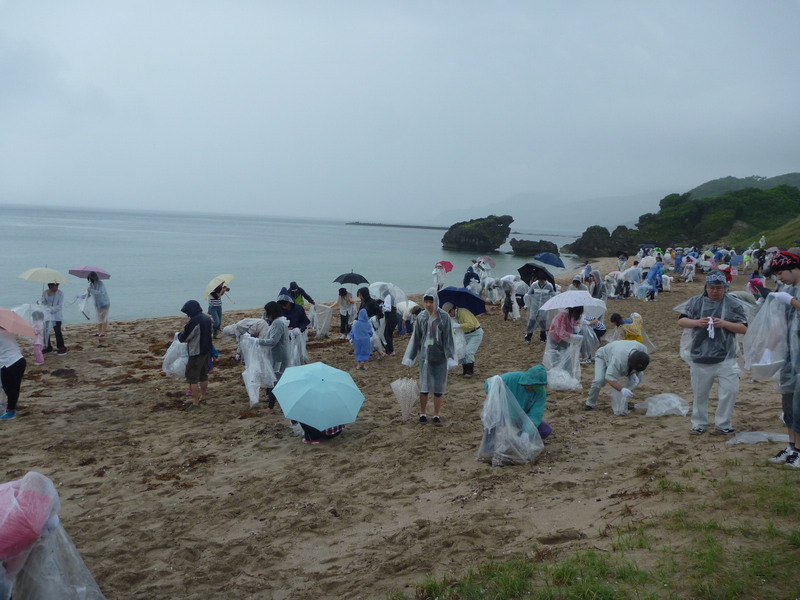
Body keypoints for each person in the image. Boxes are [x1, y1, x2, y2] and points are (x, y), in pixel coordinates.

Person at [677, 270, 748, 435]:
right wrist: (697, 322)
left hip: (727, 356)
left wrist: (724, 323)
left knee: (730, 390)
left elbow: (743, 328)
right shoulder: (696, 302)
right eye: (711, 287)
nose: (715, 291)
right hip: (700, 355)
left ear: (725, 288)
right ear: (706, 287)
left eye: (719, 288)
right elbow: (681, 320)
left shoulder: (733, 304)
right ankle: (699, 423)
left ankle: (723, 423)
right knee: (700, 393)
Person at [764, 251, 800, 467]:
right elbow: (780, 323)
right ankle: (791, 446)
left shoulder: (791, 294)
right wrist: (768, 349)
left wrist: (792, 301)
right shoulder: (785, 289)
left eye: (781, 273)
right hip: (789, 355)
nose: (779, 279)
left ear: (794, 267)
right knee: (787, 400)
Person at [402, 290, 456, 425]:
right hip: (425, 358)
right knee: (424, 387)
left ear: (436, 302)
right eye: (426, 302)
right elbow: (416, 338)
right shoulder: (421, 317)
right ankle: (423, 413)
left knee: (439, 387)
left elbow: (449, 338)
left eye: (431, 302)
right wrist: (410, 357)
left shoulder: (444, 317)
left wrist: (450, 357)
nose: (428, 305)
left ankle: (436, 414)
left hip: (440, 357)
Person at [484, 365, 552, 439]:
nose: (533, 389)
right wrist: (493, 386)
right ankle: (489, 443)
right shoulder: (512, 378)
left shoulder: (540, 393)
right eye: (533, 386)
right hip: (502, 414)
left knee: (545, 430)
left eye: (537, 387)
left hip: (522, 417)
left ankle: (517, 439)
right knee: (491, 420)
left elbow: (535, 414)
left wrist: (526, 433)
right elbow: (489, 385)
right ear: (528, 381)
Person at [584, 340, 649, 411]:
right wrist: (622, 389)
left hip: (618, 352)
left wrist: (634, 373)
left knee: (639, 377)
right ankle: (590, 403)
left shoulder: (643, 350)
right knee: (599, 381)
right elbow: (609, 378)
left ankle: (624, 402)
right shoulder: (619, 361)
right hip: (603, 356)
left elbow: (639, 367)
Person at [177, 299, 213, 410]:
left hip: (196, 352)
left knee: (192, 378)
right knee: (203, 375)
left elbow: (185, 338)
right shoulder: (207, 318)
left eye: (187, 312)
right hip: (207, 351)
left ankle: (196, 402)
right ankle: (203, 396)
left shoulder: (194, 321)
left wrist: (179, 335)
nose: (187, 315)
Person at [257, 301, 291, 413]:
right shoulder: (279, 321)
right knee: (278, 379)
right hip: (279, 355)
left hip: (279, 358)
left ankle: (271, 407)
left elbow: (273, 341)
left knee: (276, 380)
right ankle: (279, 405)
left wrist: (257, 341)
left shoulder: (278, 323)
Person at [443, 302, 484, 378]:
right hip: (466, 334)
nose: (449, 316)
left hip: (475, 333)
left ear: (452, 310)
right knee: (463, 351)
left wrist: (459, 325)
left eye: (448, 313)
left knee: (469, 351)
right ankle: (465, 370)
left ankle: (470, 371)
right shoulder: (454, 316)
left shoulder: (463, 312)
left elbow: (471, 324)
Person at [0, 327, 27, 421]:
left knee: (10, 388)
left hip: (12, 362)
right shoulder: (8, 330)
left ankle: (11, 411)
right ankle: (10, 409)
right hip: (16, 361)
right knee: (10, 387)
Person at [524, 275, 556, 342]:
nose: (541, 282)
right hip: (534, 306)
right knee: (532, 321)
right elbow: (529, 294)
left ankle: (543, 338)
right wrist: (527, 304)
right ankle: (528, 337)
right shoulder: (534, 285)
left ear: (545, 280)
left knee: (543, 322)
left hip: (544, 306)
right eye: (540, 281)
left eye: (542, 281)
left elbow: (553, 294)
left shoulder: (549, 286)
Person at [39, 282, 66, 355]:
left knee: (57, 332)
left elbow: (59, 306)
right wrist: (40, 301)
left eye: (57, 285)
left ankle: (61, 347)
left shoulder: (60, 293)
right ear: (50, 286)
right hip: (47, 316)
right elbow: (43, 303)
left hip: (56, 316)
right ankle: (48, 347)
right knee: (45, 331)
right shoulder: (45, 292)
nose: (57, 287)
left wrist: (51, 310)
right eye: (55, 285)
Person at [87, 271, 111, 337]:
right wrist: (80, 297)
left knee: (104, 317)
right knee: (99, 318)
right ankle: (99, 332)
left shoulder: (100, 283)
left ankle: (103, 332)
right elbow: (88, 294)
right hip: (98, 304)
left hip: (105, 303)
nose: (90, 280)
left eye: (91, 278)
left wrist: (91, 290)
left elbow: (101, 293)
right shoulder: (91, 285)